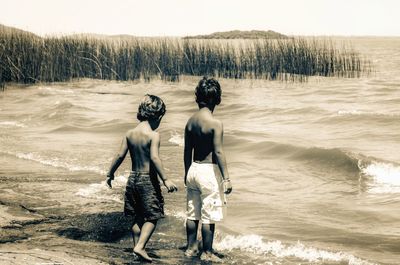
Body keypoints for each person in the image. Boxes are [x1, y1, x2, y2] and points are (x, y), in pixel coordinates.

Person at [106, 94, 177, 262]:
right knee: (153, 215)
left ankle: (135, 248)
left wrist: (110, 173)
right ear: (158, 116)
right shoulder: (154, 135)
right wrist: (165, 179)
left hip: (132, 180)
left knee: (137, 216)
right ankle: (141, 246)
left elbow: (119, 155)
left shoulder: (129, 133)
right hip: (148, 181)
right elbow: (154, 158)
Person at [184, 77, 233, 262]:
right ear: (217, 99)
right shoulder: (215, 123)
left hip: (193, 169)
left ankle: (190, 247)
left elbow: (187, 150)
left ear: (197, 98)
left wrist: (186, 172)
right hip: (208, 172)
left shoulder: (190, 122)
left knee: (192, 212)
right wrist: (226, 178)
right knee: (208, 215)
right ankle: (207, 251)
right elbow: (218, 152)